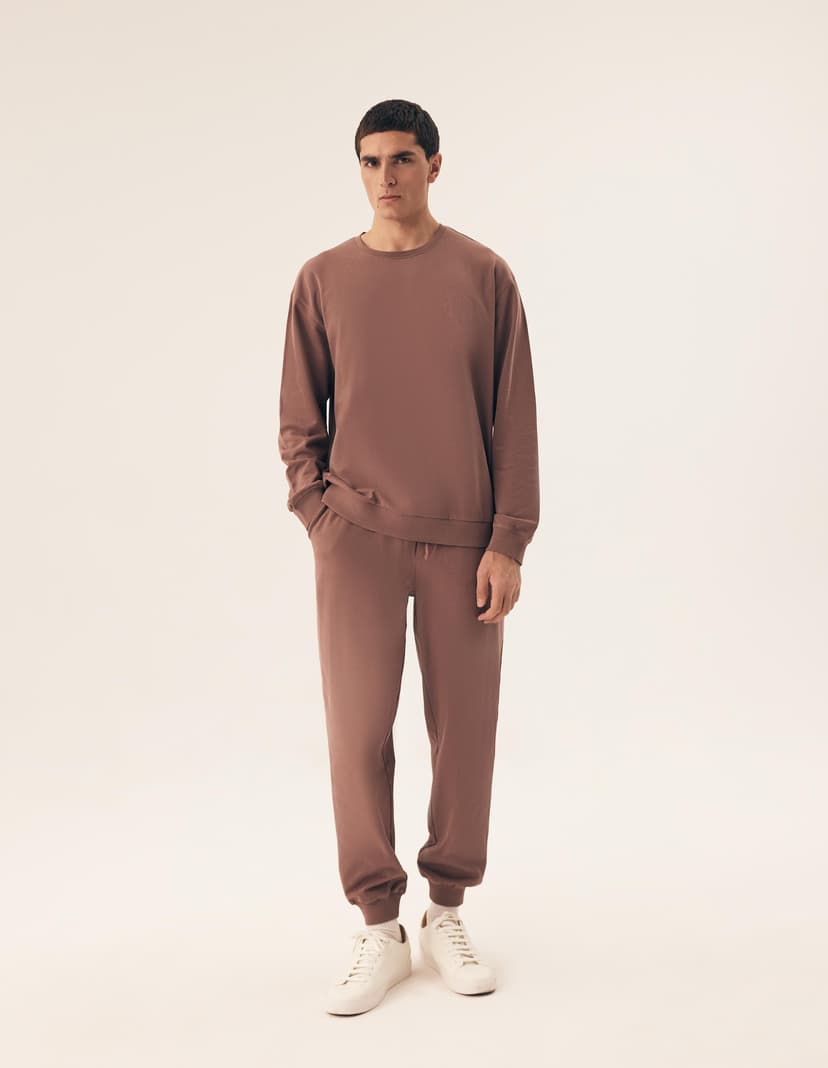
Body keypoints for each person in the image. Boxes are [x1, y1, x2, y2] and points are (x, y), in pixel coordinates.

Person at [278, 99, 540, 1015]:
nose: (385, 177)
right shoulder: (323, 280)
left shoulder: (485, 275)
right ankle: (378, 926)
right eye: (369, 161)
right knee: (357, 733)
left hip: (466, 542)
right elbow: (299, 419)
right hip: (356, 538)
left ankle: (447, 912)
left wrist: (509, 539)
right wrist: (318, 514)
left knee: (463, 732)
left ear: (434, 164)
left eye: (401, 159)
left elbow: (514, 419)